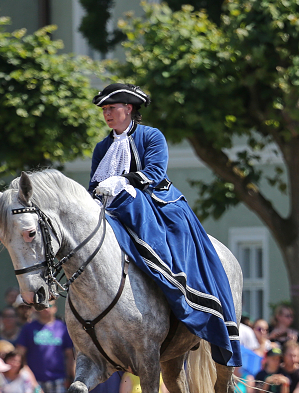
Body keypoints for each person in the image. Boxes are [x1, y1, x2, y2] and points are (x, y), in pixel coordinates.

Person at [89, 82, 241, 367]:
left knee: (156, 223)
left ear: (129, 109)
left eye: (111, 108)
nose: (107, 114)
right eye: (104, 110)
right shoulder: (102, 147)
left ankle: (182, 288)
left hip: (154, 202)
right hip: (110, 206)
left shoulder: (151, 136)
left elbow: (155, 173)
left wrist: (124, 181)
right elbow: (94, 185)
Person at [15, 304, 75, 393]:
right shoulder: (28, 328)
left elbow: (70, 355)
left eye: (50, 306)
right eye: (43, 306)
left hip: (59, 379)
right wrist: (28, 377)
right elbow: (20, 354)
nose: (46, 309)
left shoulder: (62, 327)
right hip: (34, 380)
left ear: (55, 308)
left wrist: (69, 377)